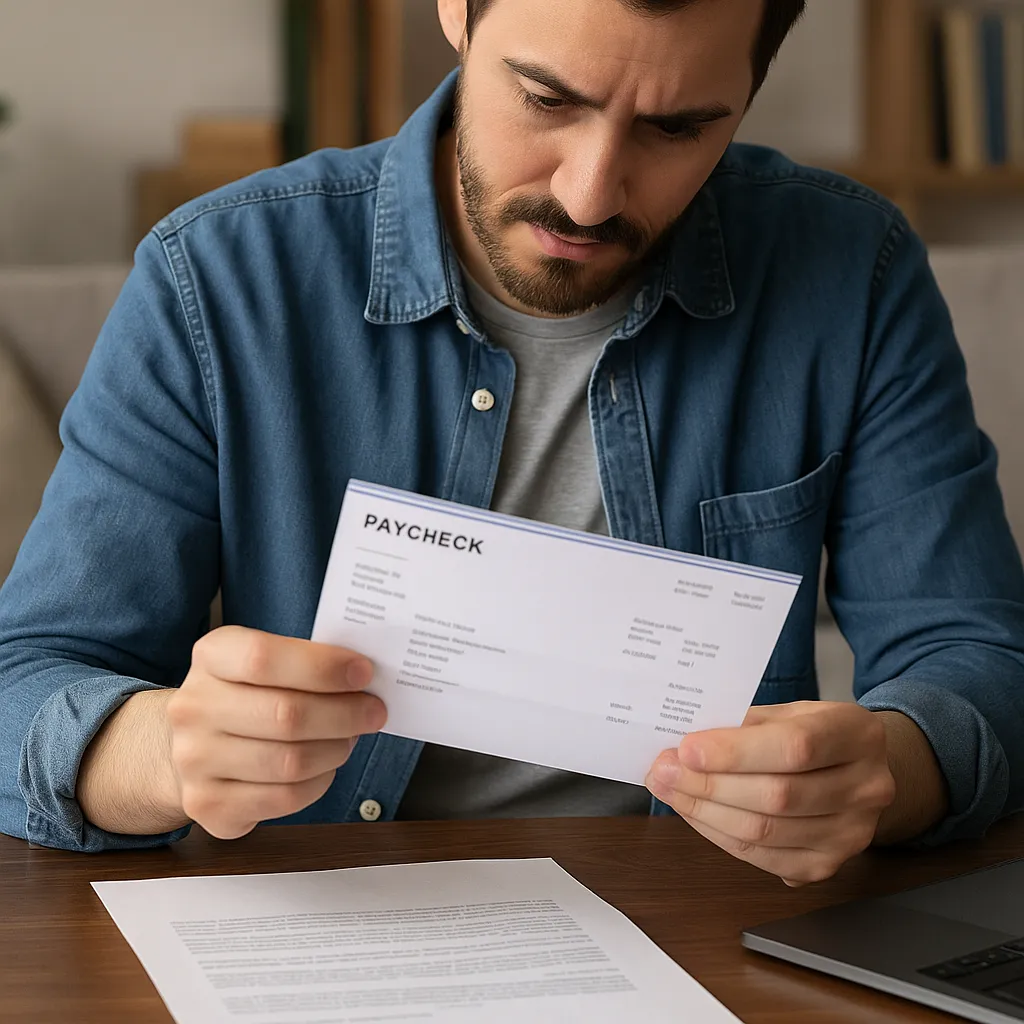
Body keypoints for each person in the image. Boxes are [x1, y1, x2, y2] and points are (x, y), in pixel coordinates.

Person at [1, 0, 1023, 887]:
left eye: (677, 127)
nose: (589, 193)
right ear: (457, 11)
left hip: (709, 928)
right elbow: (29, 676)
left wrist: (888, 772)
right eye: (546, 99)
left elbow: (976, 656)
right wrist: (160, 754)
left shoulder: (854, 274)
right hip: (318, 928)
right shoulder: (218, 281)